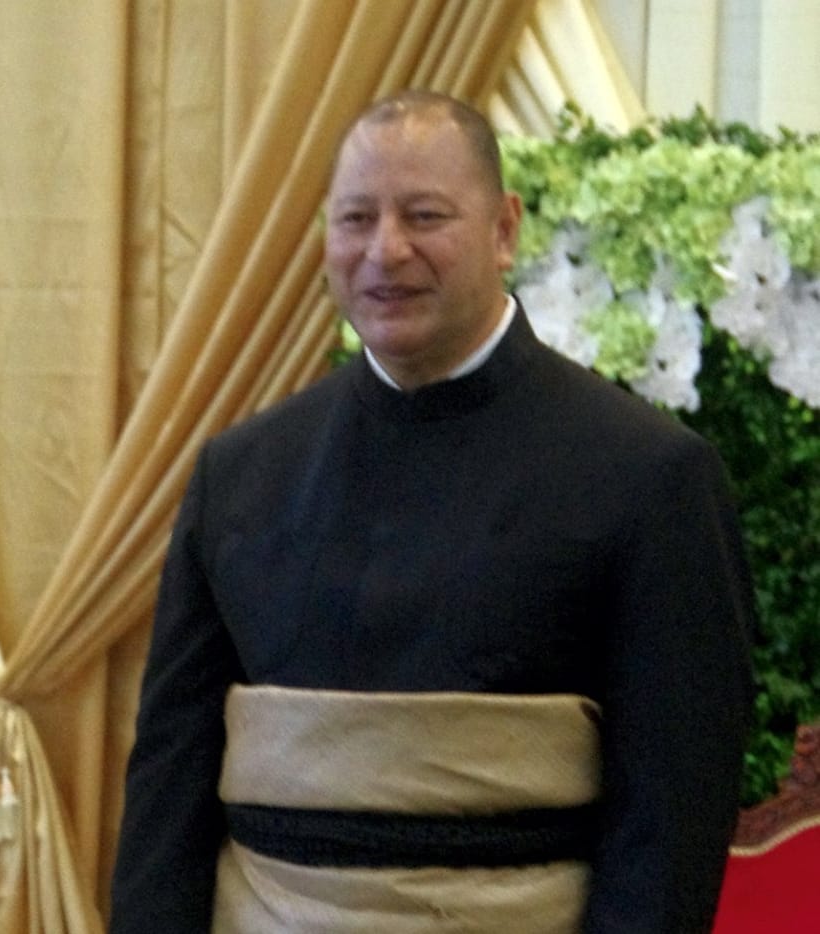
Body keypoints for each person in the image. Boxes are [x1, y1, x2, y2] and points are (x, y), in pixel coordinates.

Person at [109, 90, 755, 932]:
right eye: (355, 219)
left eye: (425, 215)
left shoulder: (648, 477)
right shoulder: (242, 473)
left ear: (505, 229)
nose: (386, 250)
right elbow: (170, 785)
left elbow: (667, 827)